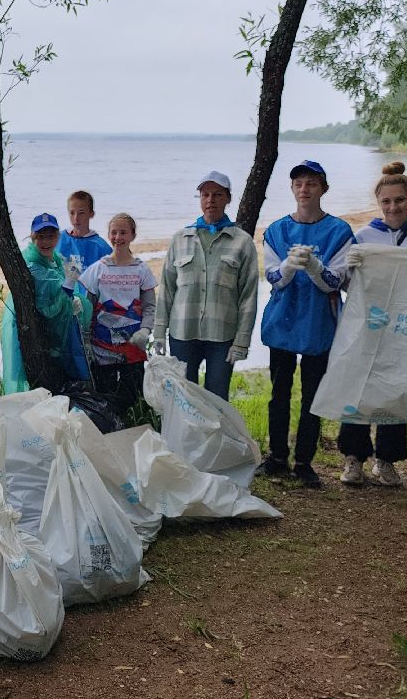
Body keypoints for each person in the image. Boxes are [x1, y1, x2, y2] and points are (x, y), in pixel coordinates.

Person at [338, 163, 407, 488]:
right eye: (386, 201)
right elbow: (351, 289)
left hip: (405, 329)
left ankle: (385, 460)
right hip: (368, 327)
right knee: (358, 391)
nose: (393, 207)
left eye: (399, 200)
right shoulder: (363, 236)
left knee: (395, 392)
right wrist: (349, 269)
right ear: (378, 202)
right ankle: (354, 457)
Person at [258, 160, 355, 488]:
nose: (304, 189)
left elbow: (334, 282)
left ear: (323, 188)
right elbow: (273, 278)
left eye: (311, 183)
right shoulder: (276, 230)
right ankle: (276, 456)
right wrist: (288, 265)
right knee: (279, 392)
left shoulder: (340, 232)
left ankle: (304, 461)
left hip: (319, 323)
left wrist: (314, 266)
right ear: (292, 188)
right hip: (283, 320)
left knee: (313, 394)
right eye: (299, 183)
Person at [153, 171, 258, 400]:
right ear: (200, 199)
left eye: (217, 194)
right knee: (183, 397)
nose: (211, 200)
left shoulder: (242, 242)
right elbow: (167, 290)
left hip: (222, 335)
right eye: (206, 194)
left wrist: (242, 341)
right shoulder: (180, 239)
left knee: (217, 399)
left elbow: (249, 296)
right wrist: (159, 332)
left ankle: (216, 436)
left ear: (228, 198)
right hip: (183, 332)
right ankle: (184, 438)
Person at [0, 213, 91, 394]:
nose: (46, 242)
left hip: (53, 334)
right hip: (42, 336)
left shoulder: (55, 259)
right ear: (33, 238)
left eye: (50, 236)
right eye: (41, 237)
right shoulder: (34, 266)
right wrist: (67, 289)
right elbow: (46, 309)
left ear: (58, 236)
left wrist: (73, 297)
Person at [80, 213, 156, 410]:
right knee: (106, 400)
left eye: (123, 232)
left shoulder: (142, 270)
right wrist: (86, 341)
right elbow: (88, 309)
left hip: (133, 349)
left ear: (132, 235)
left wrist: (146, 330)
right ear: (108, 235)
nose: (118, 237)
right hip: (101, 349)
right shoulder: (98, 269)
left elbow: (149, 306)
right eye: (114, 233)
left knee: (132, 399)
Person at [55, 190, 112, 269]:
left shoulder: (101, 247)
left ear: (91, 214)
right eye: (72, 213)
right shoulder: (58, 239)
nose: (76, 218)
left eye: (81, 213)